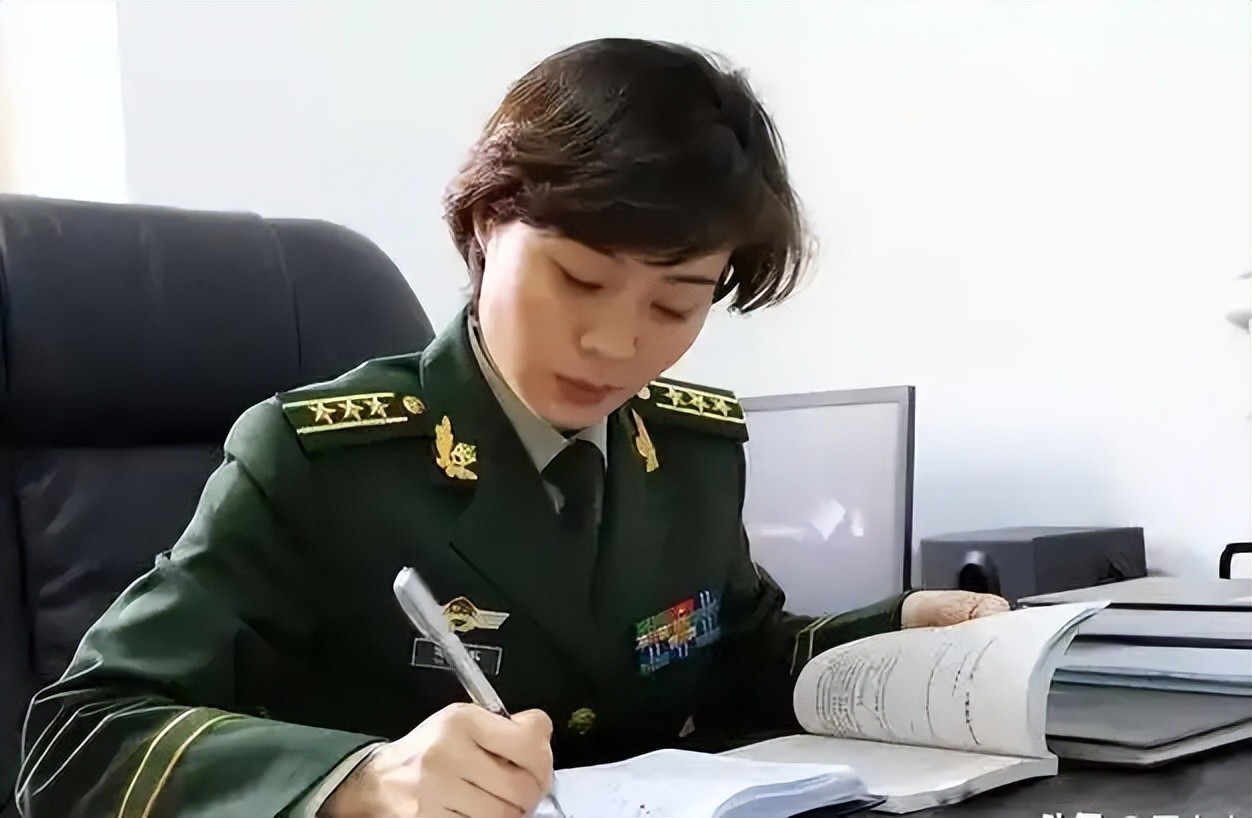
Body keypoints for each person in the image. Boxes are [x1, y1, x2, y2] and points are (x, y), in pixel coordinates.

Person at [16, 38, 1008, 818]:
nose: (615, 343)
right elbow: (77, 739)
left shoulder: (692, 452)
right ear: (489, 221)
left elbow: (737, 658)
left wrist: (897, 636)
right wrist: (360, 779)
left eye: (674, 305)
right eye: (577, 278)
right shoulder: (320, 462)